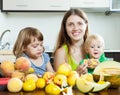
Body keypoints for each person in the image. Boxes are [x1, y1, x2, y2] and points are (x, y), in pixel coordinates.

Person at [53, 8, 89, 76]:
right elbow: (59, 81)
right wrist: (75, 74)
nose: (75, 28)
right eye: (70, 24)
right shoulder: (61, 53)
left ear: (86, 25)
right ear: (65, 27)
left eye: (80, 23)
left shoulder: (95, 49)